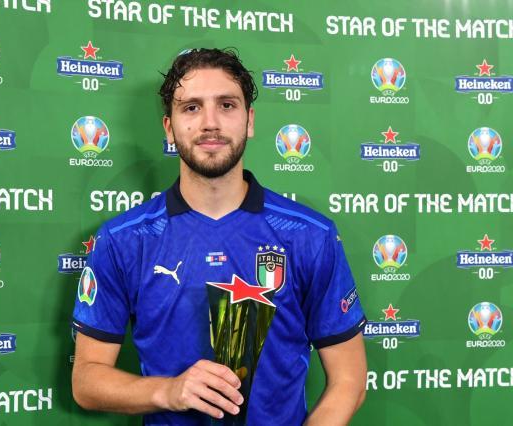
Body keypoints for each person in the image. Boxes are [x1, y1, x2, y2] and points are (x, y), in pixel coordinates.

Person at [72, 48, 367, 425]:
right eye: (191, 108)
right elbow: (86, 381)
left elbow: (349, 380)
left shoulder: (310, 235)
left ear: (249, 121)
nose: (210, 123)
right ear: (169, 128)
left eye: (227, 105)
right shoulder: (124, 239)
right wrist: (169, 391)